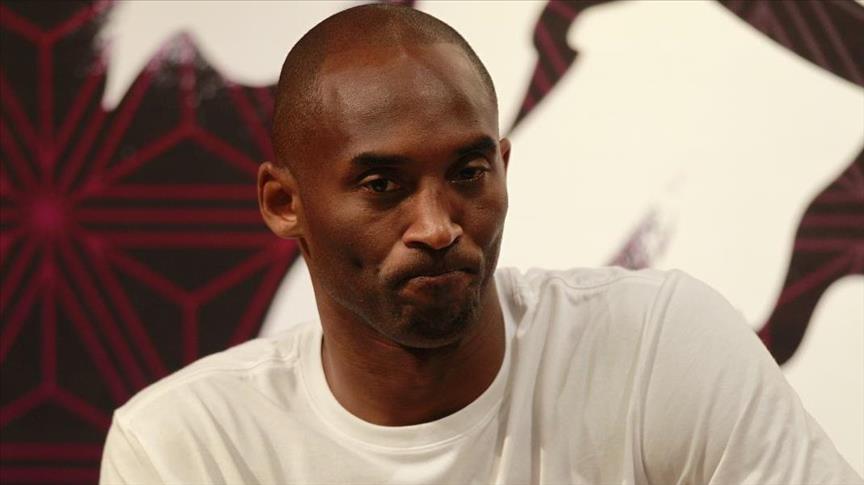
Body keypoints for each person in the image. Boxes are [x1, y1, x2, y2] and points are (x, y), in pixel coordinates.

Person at [100, 4, 862, 484]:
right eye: (383, 185)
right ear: (283, 203)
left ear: (503, 165)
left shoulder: (658, 345)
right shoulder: (187, 445)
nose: (437, 225)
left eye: (467, 172)